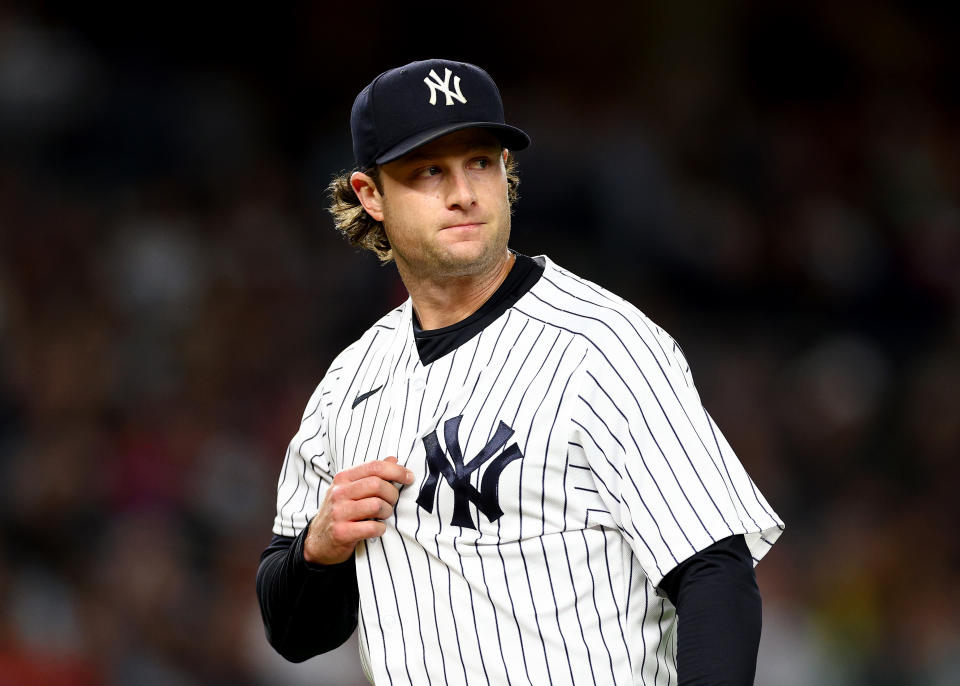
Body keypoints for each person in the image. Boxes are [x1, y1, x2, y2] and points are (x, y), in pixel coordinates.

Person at [256, 58, 784, 686]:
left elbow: (715, 573)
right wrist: (318, 552)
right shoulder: (350, 385)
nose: (463, 192)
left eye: (480, 161)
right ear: (370, 195)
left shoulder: (602, 344)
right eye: (428, 171)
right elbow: (295, 634)